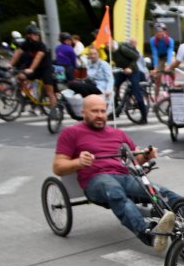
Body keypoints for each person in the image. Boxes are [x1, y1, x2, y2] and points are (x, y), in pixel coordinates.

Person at [52, 94, 177, 252]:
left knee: (158, 191)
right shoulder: (71, 133)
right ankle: (149, 234)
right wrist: (78, 162)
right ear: (83, 113)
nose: (99, 115)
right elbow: (57, 167)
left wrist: (146, 155)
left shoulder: (118, 134)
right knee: (114, 191)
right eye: (94, 111)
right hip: (96, 180)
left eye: (103, 111)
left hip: (124, 176)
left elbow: (136, 159)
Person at [9, 24, 57, 108]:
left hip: (45, 69)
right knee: (20, 77)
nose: (37, 36)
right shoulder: (26, 43)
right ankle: (26, 97)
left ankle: (54, 110)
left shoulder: (41, 45)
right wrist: (10, 64)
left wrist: (31, 69)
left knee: (49, 91)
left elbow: (38, 57)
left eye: (37, 34)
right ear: (28, 35)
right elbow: (18, 52)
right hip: (36, 70)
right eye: (35, 34)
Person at [111, 38, 148, 123]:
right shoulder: (109, 51)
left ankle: (144, 117)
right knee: (114, 87)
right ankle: (115, 111)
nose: (107, 46)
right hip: (122, 70)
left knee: (136, 91)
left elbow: (136, 56)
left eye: (108, 44)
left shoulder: (122, 48)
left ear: (112, 42)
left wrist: (130, 67)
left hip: (133, 71)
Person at [149, 22, 175, 99]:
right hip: (160, 57)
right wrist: (156, 67)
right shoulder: (153, 40)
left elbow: (170, 52)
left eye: (161, 32)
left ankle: (174, 83)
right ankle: (156, 97)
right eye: (157, 32)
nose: (159, 34)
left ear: (164, 32)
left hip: (168, 56)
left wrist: (168, 64)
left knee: (172, 68)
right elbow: (155, 54)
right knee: (157, 77)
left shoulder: (170, 40)